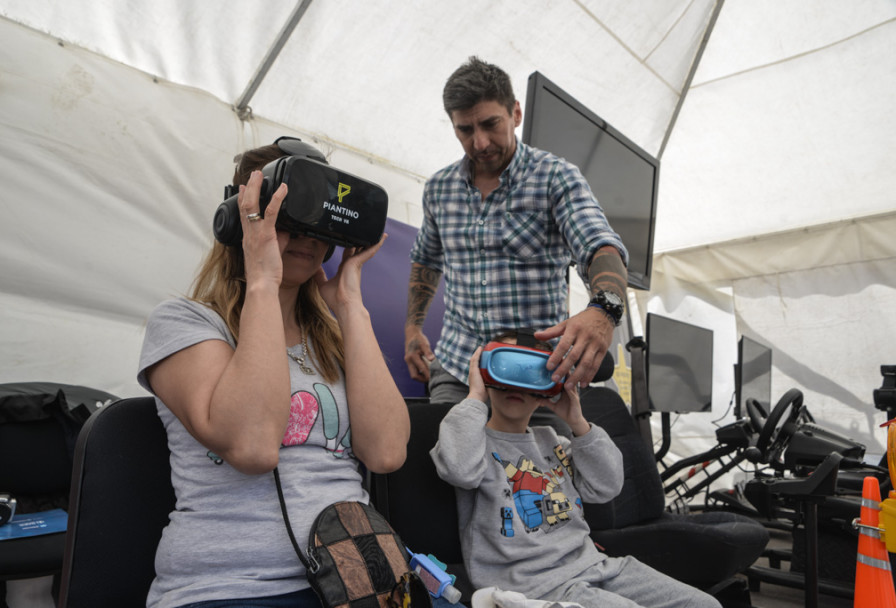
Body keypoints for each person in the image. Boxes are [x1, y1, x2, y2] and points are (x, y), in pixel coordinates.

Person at [137, 140, 410, 608]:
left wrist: (349, 306)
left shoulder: (333, 337)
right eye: (285, 215)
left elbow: (385, 453)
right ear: (236, 219)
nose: (306, 234)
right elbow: (252, 446)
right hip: (230, 586)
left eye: (317, 219)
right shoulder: (185, 322)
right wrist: (262, 280)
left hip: (357, 579)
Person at [430, 332, 721, 608]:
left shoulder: (554, 441)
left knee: (705, 604)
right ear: (485, 372)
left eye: (532, 373)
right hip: (533, 587)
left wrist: (578, 423)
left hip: (595, 566)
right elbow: (459, 469)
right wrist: (475, 397)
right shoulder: (472, 441)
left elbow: (607, 486)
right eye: (506, 368)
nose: (516, 386)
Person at [405, 56, 629, 405]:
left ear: (516, 114)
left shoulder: (556, 177)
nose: (479, 143)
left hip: (535, 375)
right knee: (449, 458)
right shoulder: (438, 189)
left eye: (491, 124)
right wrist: (412, 328)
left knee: (532, 463)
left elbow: (600, 246)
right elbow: (426, 261)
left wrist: (604, 310)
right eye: (465, 130)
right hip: (457, 367)